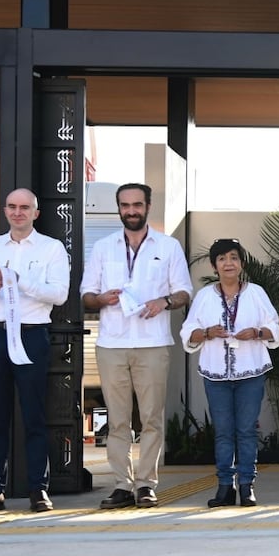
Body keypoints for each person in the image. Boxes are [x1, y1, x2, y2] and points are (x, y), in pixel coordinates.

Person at [81, 183, 193, 509]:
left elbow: (184, 292)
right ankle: (121, 486)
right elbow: (86, 294)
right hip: (111, 344)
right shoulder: (103, 247)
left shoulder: (168, 247)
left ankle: (146, 485)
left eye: (137, 205)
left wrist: (165, 300)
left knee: (152, 419)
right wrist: (100, 299)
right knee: (117, 420)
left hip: (153, 343)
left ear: (148, 205)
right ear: (118, 208)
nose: (131, 210)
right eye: (125, 205)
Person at [0, 188, 69, 513]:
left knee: (34, 415)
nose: (18, 212)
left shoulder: (52, 248)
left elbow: (60, 295)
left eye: (25, 207)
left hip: (32, 335)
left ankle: (38, 489)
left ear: (36, 213)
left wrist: (20, 282)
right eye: (12, 206)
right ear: (5, 211)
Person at [182, 238, 278, 508]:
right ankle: (225, 487)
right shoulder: (204, 296)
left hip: (251, 371)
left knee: (246, 430)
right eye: (222, 259)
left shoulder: (256, 293)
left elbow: (274, 326)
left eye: (233, 258)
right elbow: (188, 332)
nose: (228, 263)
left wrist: (257, 333)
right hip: (216, 375)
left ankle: (247, 486)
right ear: (214, 265)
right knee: (223, 432)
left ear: (242, 264)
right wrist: (207, 333)